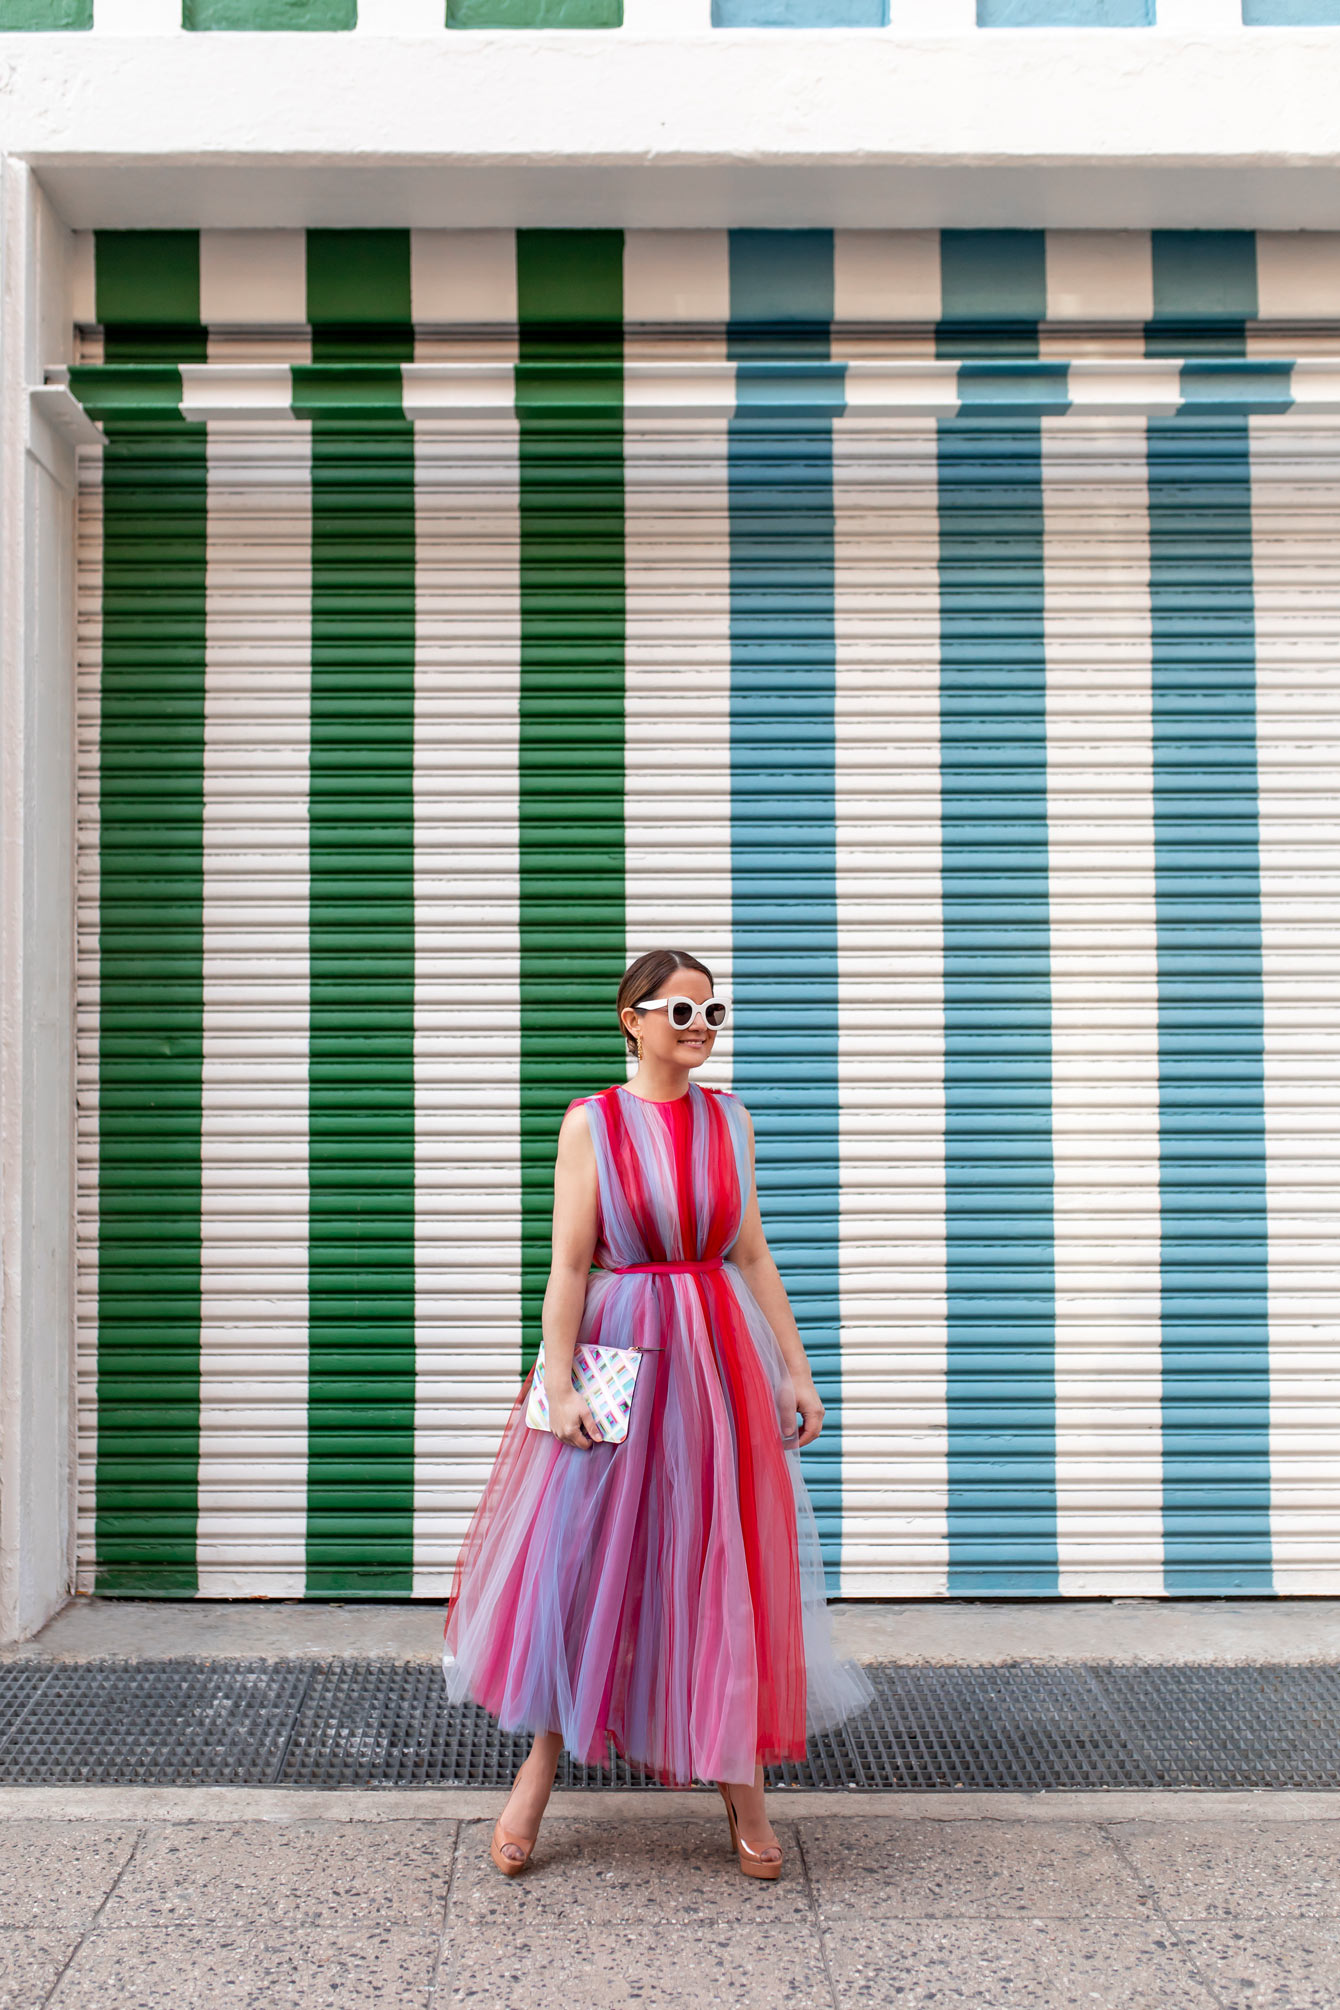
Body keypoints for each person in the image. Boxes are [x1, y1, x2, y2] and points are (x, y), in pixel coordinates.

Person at [442, 948, 871, 1878]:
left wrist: (796, 1371)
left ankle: (739, 1783)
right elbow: (567, 1265)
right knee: (584, 1561)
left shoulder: (731, 1121)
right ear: (631, 1019)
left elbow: (751, 1257)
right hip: (618, 1350)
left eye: (712, 1011)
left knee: (721, 1560)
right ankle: (539, 1770)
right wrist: (556, 1386)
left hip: (718, 1361)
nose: (700, 1028)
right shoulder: (592, 1123)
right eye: (679, 1012)